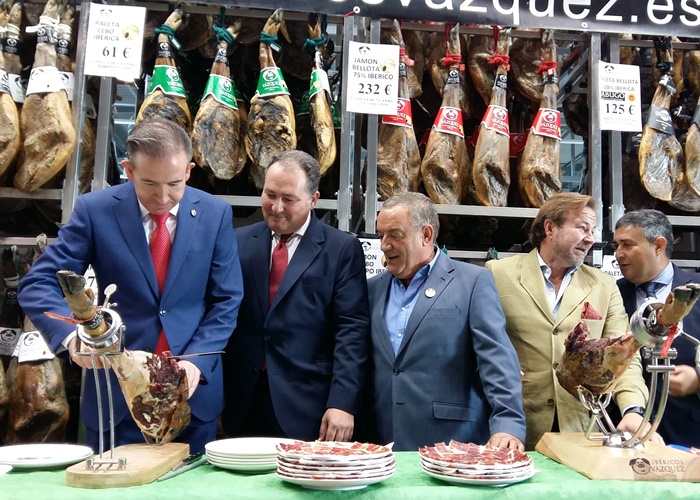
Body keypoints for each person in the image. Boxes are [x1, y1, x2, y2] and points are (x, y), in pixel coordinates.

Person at [17, 119, 243, 454]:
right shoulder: (96, 211)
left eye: (175, 184)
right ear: (128, 170)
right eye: (150, 183)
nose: (163, 197)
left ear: (190, 171)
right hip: (116, 395)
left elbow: (226, 299)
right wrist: (72, 337)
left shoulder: (215, 213)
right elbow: (38, 283)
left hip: (193, 396)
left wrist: (196, 361)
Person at [485, 193, 657, 450]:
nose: (591, 238)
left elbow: (625, 356)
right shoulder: (497, 274)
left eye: (593, 230)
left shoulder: (604, 285)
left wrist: (633, 409)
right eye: (582, 228)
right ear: (550, 228)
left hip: (582, 431)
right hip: (513, 429)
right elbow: (477, 346)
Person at [222, 150, 370, 442]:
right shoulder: (237, 241)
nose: (276, 207)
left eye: (288, 199)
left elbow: (351, 332)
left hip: (308, 404)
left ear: (313, 200)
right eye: (269, 194)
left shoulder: (340, 249)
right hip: (241, 401)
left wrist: (342, 402)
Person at [366, 192, 526, 451]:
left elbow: (497, 360)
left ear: (426, 235)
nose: (384, 245)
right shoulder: (371, 290)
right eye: (381, 234)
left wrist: (508, 423)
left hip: (453, 441)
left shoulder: (473, 282)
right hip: (381, 442)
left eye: (395, 234)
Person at [614, 209, 700, 447]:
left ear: (659, 246)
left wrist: (698, 378)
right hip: (626, 434)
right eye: (616, 245)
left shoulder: (696, 291)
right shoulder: (612, 294)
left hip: (688, 437)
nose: (618, 254)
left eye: (627, 245)